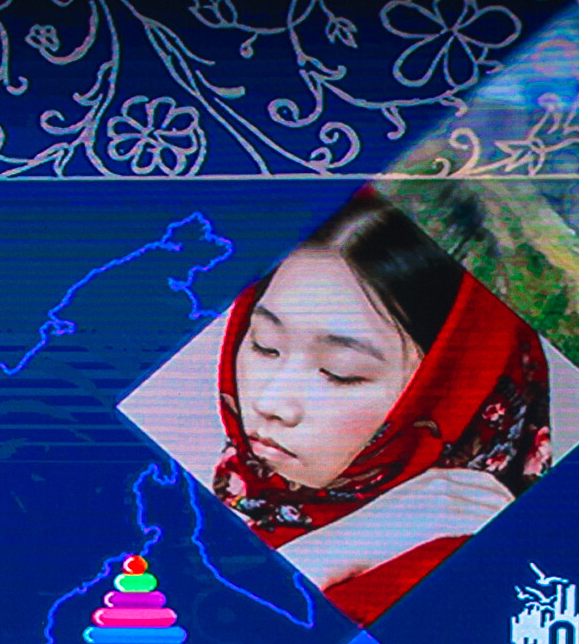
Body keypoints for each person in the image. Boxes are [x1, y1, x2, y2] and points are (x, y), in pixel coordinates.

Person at [211, 192, 554, 620]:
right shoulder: (238, 502)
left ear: (454, 391)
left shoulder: (464, 583)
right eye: (264, 345)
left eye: (340, 371)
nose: (269, 402)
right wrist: (329, 548)